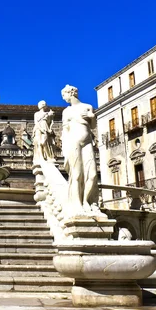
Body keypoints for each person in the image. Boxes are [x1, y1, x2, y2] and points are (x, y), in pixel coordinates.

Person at [61, 85, 98, 216]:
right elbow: (65, 131)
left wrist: (91, 116)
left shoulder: (87, 107)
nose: (63, 98)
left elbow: (93, 126)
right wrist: (64, 149)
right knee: (76, 174)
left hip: (88, 142)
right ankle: (77, 204)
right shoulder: (66, 111)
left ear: (70, 93)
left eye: (64, 95)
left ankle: (86, 201)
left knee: (92, 174)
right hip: (73, 142)